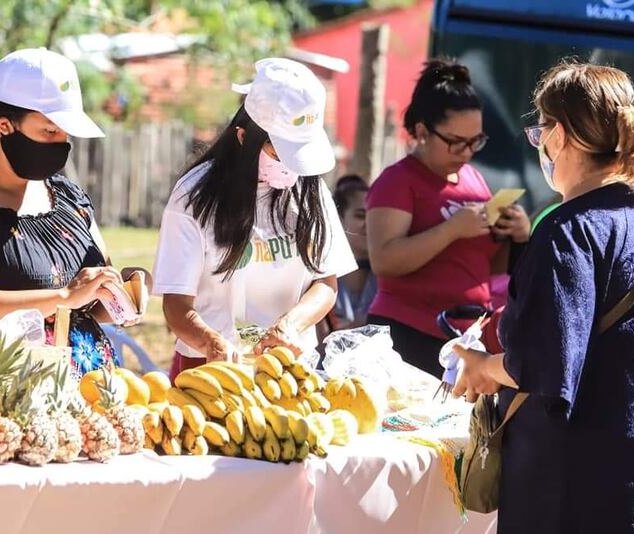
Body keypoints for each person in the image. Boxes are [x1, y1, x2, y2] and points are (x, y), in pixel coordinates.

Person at [453, 62, 634, 533]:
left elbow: (545, 361)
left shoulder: (569, 230)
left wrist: (483, 367)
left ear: (558, 136)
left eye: (539, 132)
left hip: (570, 480)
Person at [0, 48, 140, 376]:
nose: (61, 142)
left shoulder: (69, 199)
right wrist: (62, 296)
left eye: (65, 133)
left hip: (95, 396)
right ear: (5, 124)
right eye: (49, 131)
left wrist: (127, 291)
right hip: (13, 400)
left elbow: (91, 303)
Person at [152, 58, 356, 381]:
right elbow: (176, 304)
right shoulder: (193, 195)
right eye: (280, 154)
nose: (291, 167)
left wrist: (291, 325)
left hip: (289, 371)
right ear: (244, 138)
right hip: (209, 372)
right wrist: (209, 341)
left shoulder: (309, 188)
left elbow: (326, 283)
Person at [365, 59, 530, 376]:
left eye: (476, 141)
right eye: (456, 142)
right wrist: (452, 229)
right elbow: (384, 260)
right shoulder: (398, 181)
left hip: (464, 339)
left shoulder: (474, 179)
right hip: (406, 333)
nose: (467, 152)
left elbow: (482, 268)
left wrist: (517, 235)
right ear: (423, 132)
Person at [324, 175, 376, 331]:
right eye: (360, 215)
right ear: (338, 220)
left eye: (375, 216)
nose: (369, 223)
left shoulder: (390, 276)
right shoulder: (321, 272)